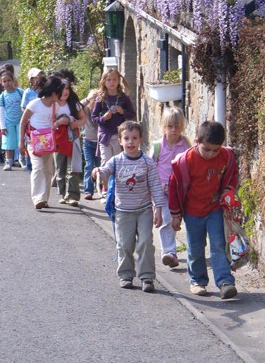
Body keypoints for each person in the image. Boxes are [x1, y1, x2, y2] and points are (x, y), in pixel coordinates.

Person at [169, 120, 239, 299]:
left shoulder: (226, 156)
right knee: (195, 247)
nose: (211, 154)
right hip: (192, 212)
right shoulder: (184, 161)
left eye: (216, 150)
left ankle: (225, 282)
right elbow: (173, 187)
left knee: (218, 245)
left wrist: (228, 191)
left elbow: (232, 175)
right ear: (196, 142)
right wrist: (175, 214)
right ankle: (198, 281)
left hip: (214, 209)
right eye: (206, 149)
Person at [92, 120, 164, 293]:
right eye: (126, 138)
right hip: (123, 212)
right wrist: (97, 173)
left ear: (140, 140)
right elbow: (104, 172)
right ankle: (126, 275)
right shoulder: (116, 161)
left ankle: (147, 277)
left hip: (144, 210)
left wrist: (158, 209)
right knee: (124, 245)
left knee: (146, 242)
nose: (130, 142)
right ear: (120, 141)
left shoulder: (147, 162)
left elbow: (155, 185)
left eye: (134, 138)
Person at [150, 107, 190, 268]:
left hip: (181, 190)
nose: (174, 130)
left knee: (178, 220)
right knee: (166, 219)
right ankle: (169, 252)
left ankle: (192, 251)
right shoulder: (158, 146)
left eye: (177, 126)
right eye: (170, 126)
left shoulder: (185, 145)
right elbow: (151, 168)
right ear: (164, 127)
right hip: (163, 191)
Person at [19, 75, 65, 210]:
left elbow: (57, 121)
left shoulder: (56, 107)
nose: (62, 95)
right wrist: (21, 142)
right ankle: (37, 198)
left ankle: (44, 199)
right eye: (60, 92)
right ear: (54, 92)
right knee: (38, 167)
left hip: (48, 143)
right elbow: (23, 123)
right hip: (33, 141)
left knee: (48, 171)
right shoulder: (34, 104)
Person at [92, 68, 135, 198]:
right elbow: (94, 118)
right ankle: (105, 188)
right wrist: (104, 118)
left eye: (114, 79)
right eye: (109, 79)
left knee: (117, 162)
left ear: (118, 81)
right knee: (105, 162)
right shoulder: (101, 99)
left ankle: (116, 187)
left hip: (119, 136)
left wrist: (122, 112)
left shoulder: (123, 98)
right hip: (105, 136)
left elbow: (132, 115)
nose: (112, 82)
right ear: (104, 82)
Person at [54, 79, 85, 207]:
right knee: (60, 168)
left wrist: (75, 123)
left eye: (67, 89)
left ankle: (72, 196)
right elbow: (47, 122)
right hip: (58, 139)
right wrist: (58, 123)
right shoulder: (53, 105)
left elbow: (83, 119)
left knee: (73, 168)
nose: (65, 92)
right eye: (63, 89)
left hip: (73, 138)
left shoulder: (74, 104)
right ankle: (62, 194)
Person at [21, 68, 45, 171]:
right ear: (31, 79)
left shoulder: (45, 90)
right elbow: (23, 106)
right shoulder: (27, 92)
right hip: (30, 122)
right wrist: (29, 115)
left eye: (41, 74)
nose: (39, 77)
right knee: (30, 143)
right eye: (36, 76)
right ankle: (30, 165)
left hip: (42, 122)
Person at [0, 71, 24, 171]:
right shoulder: (2, 96)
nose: (7, 83)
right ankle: (9, 161)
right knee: (9, 142)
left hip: (20, 122)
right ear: (1, 82)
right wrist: (2, 126)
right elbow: (1, 111)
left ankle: (22, 159)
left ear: (13, 81)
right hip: (8, 122)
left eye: (9, 80)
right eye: (4, 81)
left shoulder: (20, 92)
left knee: (21, 141)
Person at [80, 89, 100, 200]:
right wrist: (87, 98)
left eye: (96, 99)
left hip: (99, 142)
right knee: (89, 165)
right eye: (92, 99)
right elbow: (77, 106)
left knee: (99, 166)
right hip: (88, 141)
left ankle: (100, 188)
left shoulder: (101, 110)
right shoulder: (85, 110)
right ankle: (88, 190)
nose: (94, 102)